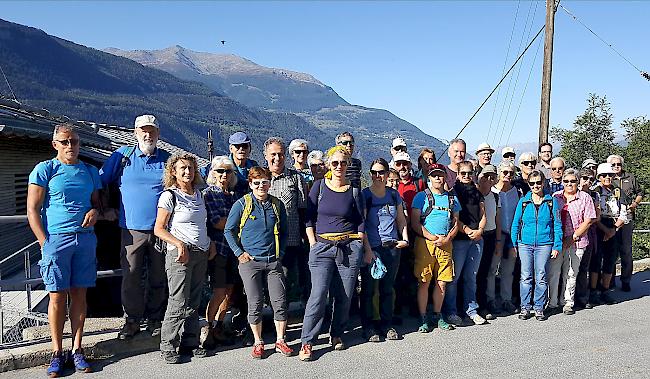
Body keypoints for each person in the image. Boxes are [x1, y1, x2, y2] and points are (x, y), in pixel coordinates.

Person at [27, 124, 102, 376]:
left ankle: (77, 349)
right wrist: (43, 242)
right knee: (57, 296)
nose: (71, 146)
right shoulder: (45, 170)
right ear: (55, 144)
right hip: (56, 240)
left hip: (85, 239)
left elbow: (97, 205)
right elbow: (32, 209)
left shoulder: (90, 171)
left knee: (80, 295)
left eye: (75, 141)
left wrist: (95, 212)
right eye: (65, 141)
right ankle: (57, 352)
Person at [99, 114, 170, 340]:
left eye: (152, 130)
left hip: (162, 229)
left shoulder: (167, 160)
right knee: (131, 277)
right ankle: (132, 320)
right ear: (135, 133)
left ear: (158, 134)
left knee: (159, 276)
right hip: (131, 230)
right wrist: (103, 209)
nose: (147, 134)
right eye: (143, 130)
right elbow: (99, 182)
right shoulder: (122, 157)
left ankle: (155, 319)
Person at [299, 146, 371, 362]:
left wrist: (361, 245)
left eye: (343, 163)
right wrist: (313, 243)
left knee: (345, 295)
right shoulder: (319, 187)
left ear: (348, 165)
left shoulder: (354, 191)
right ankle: (307, 341)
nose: (339, 166)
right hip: (321, 248)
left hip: (349, 248)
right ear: (329, 165)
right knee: (318, 294)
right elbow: (309, 217)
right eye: (335, 163)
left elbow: (360, 221)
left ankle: (337, 333)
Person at [224, 167, 292, 359]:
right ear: (250, 184)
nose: (261, 186)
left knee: (280, 301)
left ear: (270, 183)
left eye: (265, 182)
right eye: (257, 182)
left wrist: (281, 253)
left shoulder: (277, 205)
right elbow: (229, 231)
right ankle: (258, 341)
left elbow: (285, 231)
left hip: (273, 261)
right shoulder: (242, 204)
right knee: (255, 302)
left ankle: (280, 340)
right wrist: (239, 253)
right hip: (250, 262)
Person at [154, 153, 214, 364]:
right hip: (180, 254)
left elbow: (200, 223)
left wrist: (209, 243)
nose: (188, 172)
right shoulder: (169, 196)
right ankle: (168, 345)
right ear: (173, 172)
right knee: (178, 301)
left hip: (200, 252)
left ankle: (190, 341)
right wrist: (178, 244)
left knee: (194, 300)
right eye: (183, 168)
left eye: (190, 168)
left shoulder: (198, 194)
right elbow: (159, 229)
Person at [360, 158, 409, 342]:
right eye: (373, 172)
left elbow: (401, 220)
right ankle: (369, 327)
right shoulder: (365, 195)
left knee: (388, 288)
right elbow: (361, 225)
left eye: (381, 172)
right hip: (373, 248)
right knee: (369, 290)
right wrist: (367, 250)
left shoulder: (394, 195)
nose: (377, 176)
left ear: (388, 174)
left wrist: (405, 239)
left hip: (392, 248)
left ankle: (387, 325)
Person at [411, 163, 460, 333]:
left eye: (440, 175)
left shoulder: (452, 198)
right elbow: (415, 223)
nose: (438, 178)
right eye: (434, 175)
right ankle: (423, 316)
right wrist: (431, 237)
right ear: (429, 178)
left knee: (442, 283)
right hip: (426, 244)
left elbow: (455, 222)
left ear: (445, 176)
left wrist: (448, 238)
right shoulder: (421, 197)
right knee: (424, 281)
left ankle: (438, 314)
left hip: (446, 244)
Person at [511, 170, 562, 321]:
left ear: (543, 182)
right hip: (525, 244)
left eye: (538, 182)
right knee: (525, 276)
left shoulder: (551, 202)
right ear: (528, 184)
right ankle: (525, 307)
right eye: (532, 183)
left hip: (544, 244)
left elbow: (557, 225)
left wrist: (557, 246)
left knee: (541, 276)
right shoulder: (524, 202)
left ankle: (539, 308)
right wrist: (514, 244)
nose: (535, 186)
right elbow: (516, 224)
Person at [264, 137, 310, 306]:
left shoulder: (295, 178)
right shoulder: (260, 179)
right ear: (266, 156)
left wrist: (305, 237)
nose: (277, 158)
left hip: (291, 240)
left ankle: (284, 319)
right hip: (266, 242)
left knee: (289, 281)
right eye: (273, 154)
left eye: (281, 154)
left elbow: (303, 210)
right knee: (269, 284)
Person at [442, 161, 487, 326]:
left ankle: (471, 310)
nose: (467, 176)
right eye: (463, 173)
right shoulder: (453, 193)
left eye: (469, 173)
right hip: (460, 240)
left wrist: (480, 230)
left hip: (476, 240)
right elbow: (455, 219)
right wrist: (468, 230)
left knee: (471, 277)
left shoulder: (477, 192)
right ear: (458, 174)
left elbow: (483, 214)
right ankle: (451, 311)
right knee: (454, 277)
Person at [201, 156, 239, 349]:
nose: (224, 175)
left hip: (234, 249)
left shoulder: (232, 196)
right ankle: (208, 327)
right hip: (218, 248)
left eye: (228, 171)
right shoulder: (208, 194)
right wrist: (238, 222)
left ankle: (219, 325)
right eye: (220, 171)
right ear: (213, 173)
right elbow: (218, 222)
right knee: (218, 290)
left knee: (229, 290)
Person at [551, 169, 597, 315]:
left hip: (577, 241)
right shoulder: (556, 197)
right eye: (566, 181)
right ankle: (552, 302)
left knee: (571, 273)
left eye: (573, 181)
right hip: (558, 242)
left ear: (578, 182)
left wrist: (573, 237)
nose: (569, 184)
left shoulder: (585, 198)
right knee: (554, 272)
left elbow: (588, 220)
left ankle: (567, 302)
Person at [591, 163, 628, 305]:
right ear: (599, 177)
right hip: (598, 226)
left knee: (610, 260)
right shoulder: (596, 191)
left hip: (614, 226)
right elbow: (593, 214)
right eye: (604, 175)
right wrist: (605, 230)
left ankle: (605, 290)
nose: (607, 177)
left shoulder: (618, 191)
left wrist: (612, 230)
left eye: (610, 175)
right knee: (596, 260)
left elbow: (624, 213)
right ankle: (593, 291)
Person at [486, 160, 519, 316]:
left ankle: (506, 299)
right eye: (505, 172)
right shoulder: (492, 191)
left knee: (508, 269)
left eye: (511, 173)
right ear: (499, 172)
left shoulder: (516, 192)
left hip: (512, 235)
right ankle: (491, 299)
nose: (507, 175)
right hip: (496, 235)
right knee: (493, 269)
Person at [608, 154, 644, 292]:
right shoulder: (608, 178)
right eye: (614, 165)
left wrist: (635, 204)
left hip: (627, 218)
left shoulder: (630, 177)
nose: (616, 167)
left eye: (619, 164)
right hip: (612, 219)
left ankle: (626, 280)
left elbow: (640, 192)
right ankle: (609, 280)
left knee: (626, 251)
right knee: (611, 250)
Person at [474, 165, 501, 321]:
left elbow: (497, 219)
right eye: (485, 176)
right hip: (476, 236)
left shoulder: (495, 196)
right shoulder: (474, 194)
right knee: (472, 273)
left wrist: (498, 241)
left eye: (492, 177)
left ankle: (482, 305)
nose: (488, 180)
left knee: (484, 273)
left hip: (490, 236)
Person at [578, 168, 601, 308]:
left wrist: (586, 222)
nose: (588, 182)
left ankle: (582, 296)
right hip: (574, 233)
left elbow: (596, 216)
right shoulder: (573, 192)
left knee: (584, 267)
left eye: (591, 179)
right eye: (585, 178)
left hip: (590, 233)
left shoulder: (594, 195)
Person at [228, 131, 260, 199]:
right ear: (231, 149)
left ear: (249, 149)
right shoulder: (224, 166)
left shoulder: (254, 166)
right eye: (237, 146)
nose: (241, 149)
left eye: (245, 146)